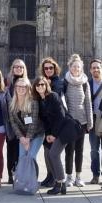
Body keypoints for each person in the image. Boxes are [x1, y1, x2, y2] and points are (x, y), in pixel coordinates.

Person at [32, 76, 82, 195]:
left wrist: (54, 135)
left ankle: (60, 183)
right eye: (38, 85)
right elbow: (45, 121)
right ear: (35, 87)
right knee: (49, 154)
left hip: (64, 129)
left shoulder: (53, 96)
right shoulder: (39, 100)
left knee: (54, 154)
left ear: (46, 86)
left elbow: (61, 116)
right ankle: (58, 182)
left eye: (42, 84)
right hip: (52, 132)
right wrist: (48, 134)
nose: (40, 87)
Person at [64, 54, 93, 187]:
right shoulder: (65, 82)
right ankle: (69, 176)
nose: (76, 68)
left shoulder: (85, 83)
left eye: (78, 67)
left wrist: (90, 121)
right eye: (74, 66)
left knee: (80, 151)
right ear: (69, 67)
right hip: (69, 123)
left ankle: (78, 176)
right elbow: (62, 103)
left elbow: (88, 103)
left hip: (81, 122)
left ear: (81, 68)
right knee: (69, 150)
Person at [39, 57, 64, 187]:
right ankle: (49, 176)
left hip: (56, 123)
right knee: (46, 150)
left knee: (52, 152)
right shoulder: (41, 82)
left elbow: (55, 98)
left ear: (55, 69)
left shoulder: (58, 82)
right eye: (46, 68)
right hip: (46, 123)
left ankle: (56, 178)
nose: (48, 70)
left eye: (51, 68)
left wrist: (47, 86)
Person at [9, 78, 44, 162]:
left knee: (31, 157)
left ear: (28, 88)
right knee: (22, 158)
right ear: (15, 87)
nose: (21, 88)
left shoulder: (33, 102)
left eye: (24, 86)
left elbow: (34, 122)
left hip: (37, 134)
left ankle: (32, 175)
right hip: (22, 136)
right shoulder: (11, 102)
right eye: (19, 86)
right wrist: (21, 138)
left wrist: (28, 139)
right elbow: (13, 122)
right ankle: (22, 175)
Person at [6, 59, 28, 184]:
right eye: (16, 67)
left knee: (22, 150)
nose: (19, 69)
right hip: (10, 122)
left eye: (21, 67)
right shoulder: (8, 83)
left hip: (23, 123)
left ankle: (20, 173)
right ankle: (10, 173)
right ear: (12, 68)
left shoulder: (27, 83)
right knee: (11, 148)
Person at [88, 59, 102, 184]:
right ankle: (95, 175)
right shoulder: (88, 83)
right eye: (93, 67)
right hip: (93, 120)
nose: (96, 69)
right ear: (90, 70)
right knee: (94, 150)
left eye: (98, 67)